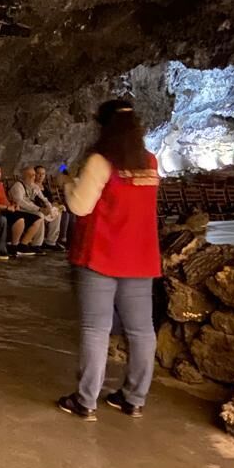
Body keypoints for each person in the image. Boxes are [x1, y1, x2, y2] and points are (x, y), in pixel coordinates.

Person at [57, 99, 161, 421]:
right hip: (140, 256)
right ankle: (134, 398)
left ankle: (86, 400)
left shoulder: (101, 161)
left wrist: (66, 182)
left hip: (101, 254)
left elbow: (80, 206)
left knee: (96, 328)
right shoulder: (150, 162)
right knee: (141, 330)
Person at [0, 162, 42, 256]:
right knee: (20, 219)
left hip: (7, 209)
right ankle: (13, 246)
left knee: (37, 219)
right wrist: (6, 207)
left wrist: (13, 205)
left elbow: (5, 200)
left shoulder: (0, 185)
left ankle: (23, 245)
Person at [9, 167, 62, 251]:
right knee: (40, 215)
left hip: (31, 209)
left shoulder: (34, 186)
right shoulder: (18, 186)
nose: (32, 177)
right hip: (21, 209)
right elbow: (21, 202)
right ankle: (36, 244)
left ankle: (51, 242)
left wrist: (49, 208)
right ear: (23, 176)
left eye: (33, 175)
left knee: (56, 213)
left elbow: (44, 199)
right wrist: (39, 209)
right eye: (29, 175)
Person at [35, 165, 70, 248]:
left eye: (43, 174)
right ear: (34, 174)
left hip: (48, 208)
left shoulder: (45, 187)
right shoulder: (32, 186)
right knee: (50, 213)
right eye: (38, 173)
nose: (41, 176)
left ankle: (51, 241)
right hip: (39, 209)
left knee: (59, 212)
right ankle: (41, 242)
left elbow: (51, 200)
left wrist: (56, 205)